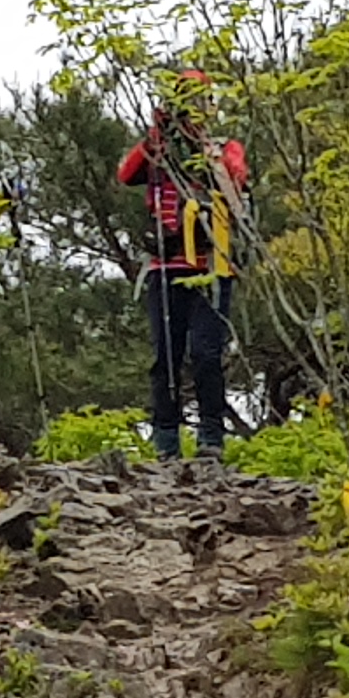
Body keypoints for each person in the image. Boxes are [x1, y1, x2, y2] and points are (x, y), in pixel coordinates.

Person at [111, 73, 246, 461]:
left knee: (206, 353)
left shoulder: (223, 147)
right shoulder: (158, 151)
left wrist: (205, 149)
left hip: (211, 263)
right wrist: (156, 134)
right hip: (165, 265)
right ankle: (166, 440)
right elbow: (126, 174)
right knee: (165, 356)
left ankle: (211, 437)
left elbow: (236, 180)